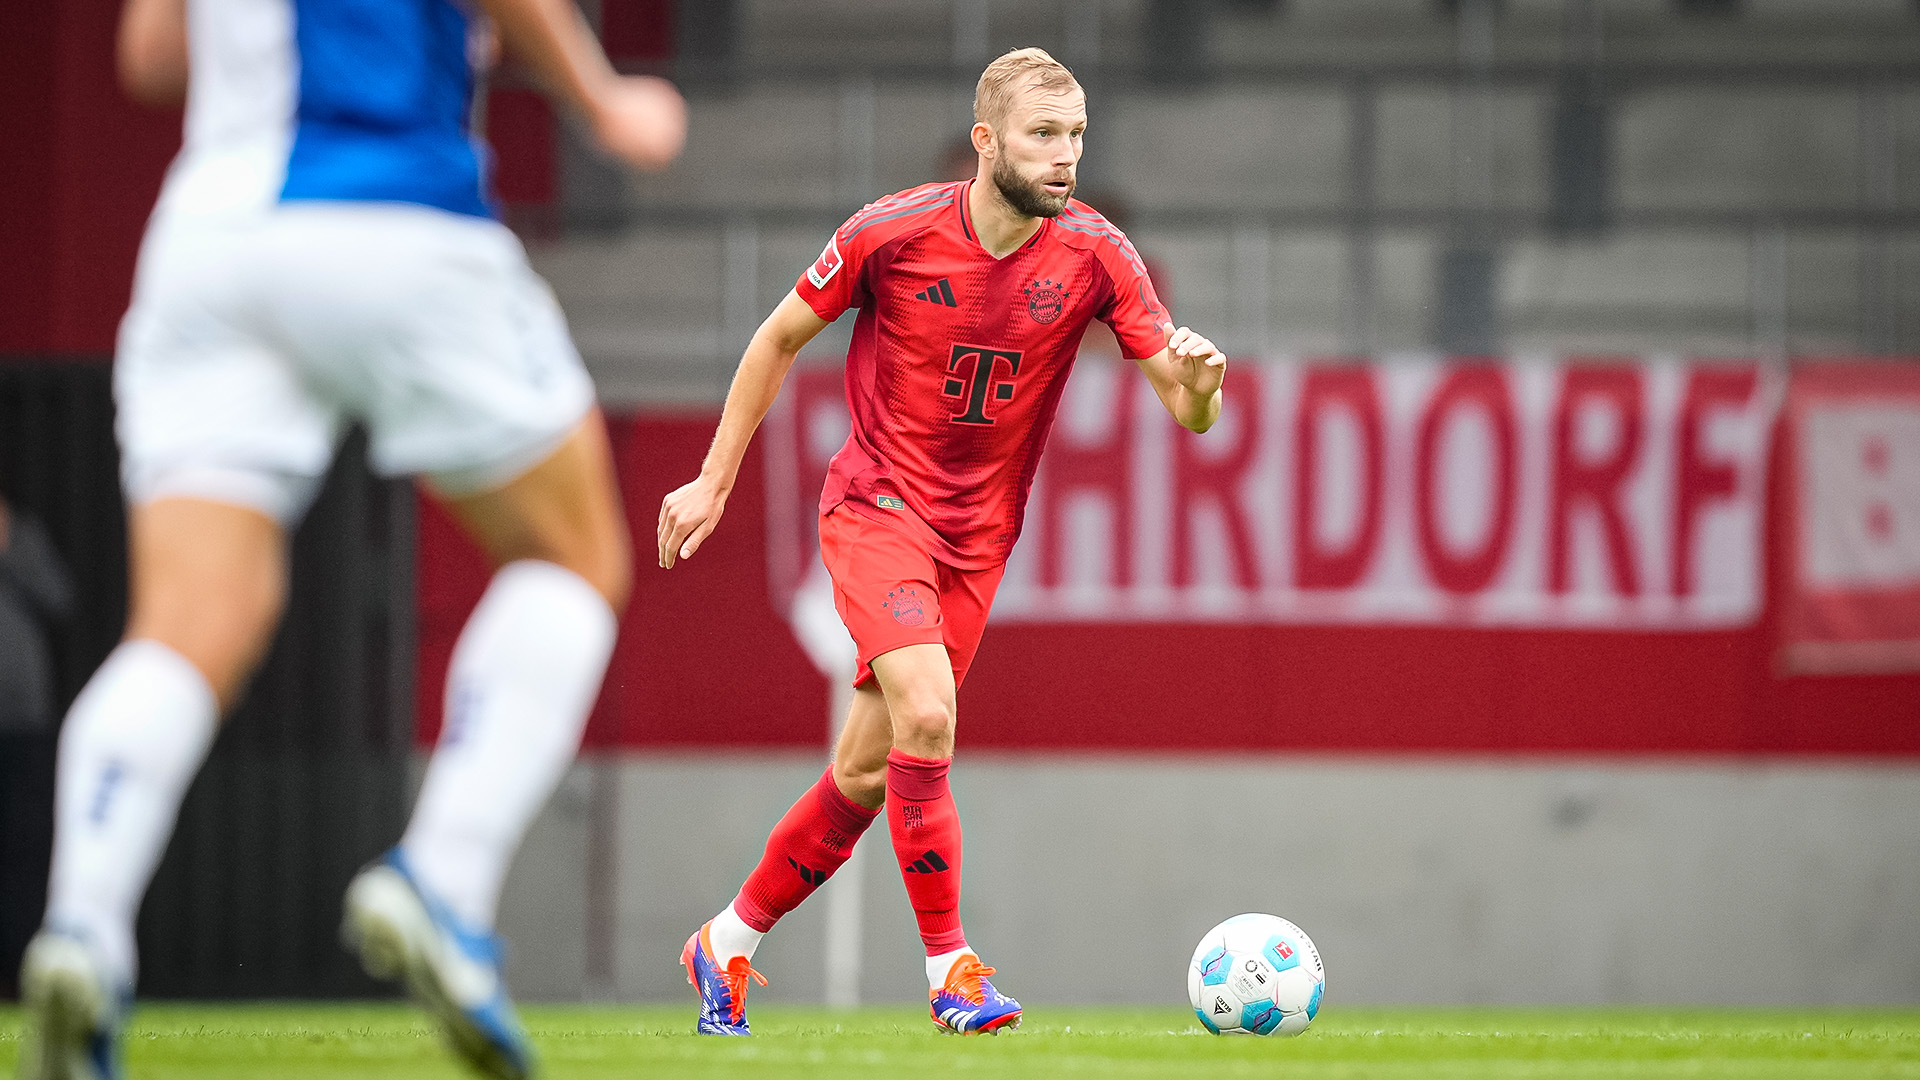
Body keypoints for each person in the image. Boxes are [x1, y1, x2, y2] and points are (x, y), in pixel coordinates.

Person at [16, 1, 684, 1078]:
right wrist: (602, 98)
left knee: (187, 626)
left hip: (212, 241)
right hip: (391, 213)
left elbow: (148, 59)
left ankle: (84, 924)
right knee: (572, 555)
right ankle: (445, 877)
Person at [657, 47, 1226, 1036]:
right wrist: (713, 478)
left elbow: (1187, 410)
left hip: (978, 544)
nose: (1065, 156)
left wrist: (1205, 380)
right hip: (878, 509)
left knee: (868, 775)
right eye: (1044, 135)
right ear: (986, 141)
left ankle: (728, 942)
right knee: (929, 714)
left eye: (1076, 136)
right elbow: (778, 337)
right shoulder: (893, 231)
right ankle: (951, 972)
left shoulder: (1097, 254)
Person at [0, 496, 75, 997]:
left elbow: (59, 598)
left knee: (26, 850)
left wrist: (7, 543)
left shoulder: (22, 537)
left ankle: (22, 972)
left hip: (21, 726)